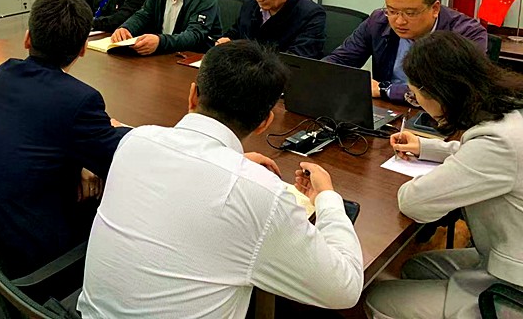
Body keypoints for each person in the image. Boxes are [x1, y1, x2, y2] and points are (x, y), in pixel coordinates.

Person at [78, 41, 363, 318]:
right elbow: (345, 289)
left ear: (193, 95)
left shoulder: (134, 141)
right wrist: (328, 198)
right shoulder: (262, 194)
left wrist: (231, 163)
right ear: (265, 122)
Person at [0, 0, 129, 278]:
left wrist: (79, 159)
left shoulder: (5, 73)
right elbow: (121, 158)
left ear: (27, 39)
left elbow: (41, 134)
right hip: (31, 252)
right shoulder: (80, 100)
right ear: (83, 49)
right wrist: (114, 130)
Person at [365, 31, 523, 319]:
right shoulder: (508, 110)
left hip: (514, 284)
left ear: (439, 92)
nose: (417, 102)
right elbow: (482, 157)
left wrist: (425, 181)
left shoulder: (497, 144)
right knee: (415, 267)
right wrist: (427, 147)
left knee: (379, 298)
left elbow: (414, 202)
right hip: (505, 251)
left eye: (415, 94)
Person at [324, 0, 487, 103]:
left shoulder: (466, 33)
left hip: (438, 117)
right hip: (387, 109)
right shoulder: (378, 22)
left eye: (410, 13)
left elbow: (456, 90)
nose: (399, 21)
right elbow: (335, 63)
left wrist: (385, 90)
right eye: (392, 11)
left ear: (435, 8)